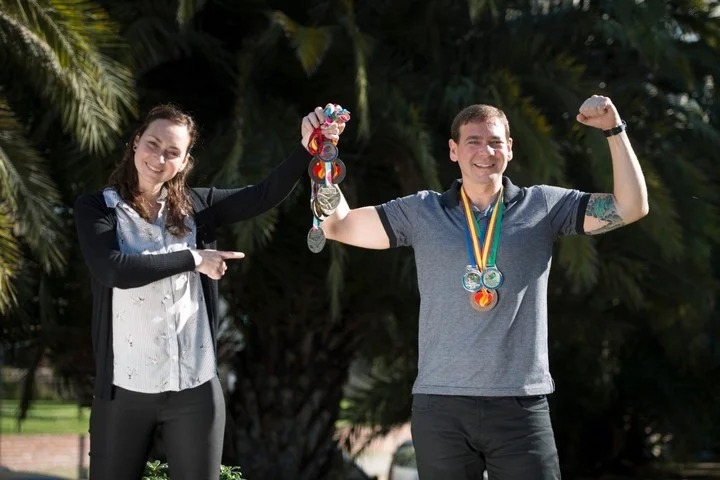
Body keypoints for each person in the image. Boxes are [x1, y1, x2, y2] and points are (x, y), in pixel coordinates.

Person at [319, 95, 648, 479]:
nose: (485, 151)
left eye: (495, 141)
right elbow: (338, 226)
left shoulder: (542, 206)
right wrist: (322, 158)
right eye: (473, 141)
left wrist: (613, 128)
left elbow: (631, 207)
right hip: (441, 406)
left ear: (509, 148)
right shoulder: (423, 211)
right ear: (453, 151)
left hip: (520, 406)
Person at [74, 103, 342, 480]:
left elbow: (263, 194)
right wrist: (194, 258)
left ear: (184, 162)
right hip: (125, 391)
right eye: (153, 143)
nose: (159, 157)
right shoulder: (97, 209)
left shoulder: (198, 208)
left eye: (173, 152)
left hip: (195, 391)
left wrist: (306, 147)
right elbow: (112, 270)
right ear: (136, 144)